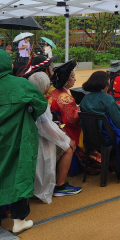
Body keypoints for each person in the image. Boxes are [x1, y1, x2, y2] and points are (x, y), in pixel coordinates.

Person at [0, 49, 48, 236]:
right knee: (21, 173)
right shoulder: (20, 84)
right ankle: (19, 220)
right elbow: (40, 103)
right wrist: (28, 112)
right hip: (20, 136)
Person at [27, 72, 81, 202]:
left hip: (30, 138)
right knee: (69, 147)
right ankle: (61, 186)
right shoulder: (43, 100)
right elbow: (50, 127)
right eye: (72, 76)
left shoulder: (31, 97)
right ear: (45, 87)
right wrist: (66, 140)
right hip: (42, 140)